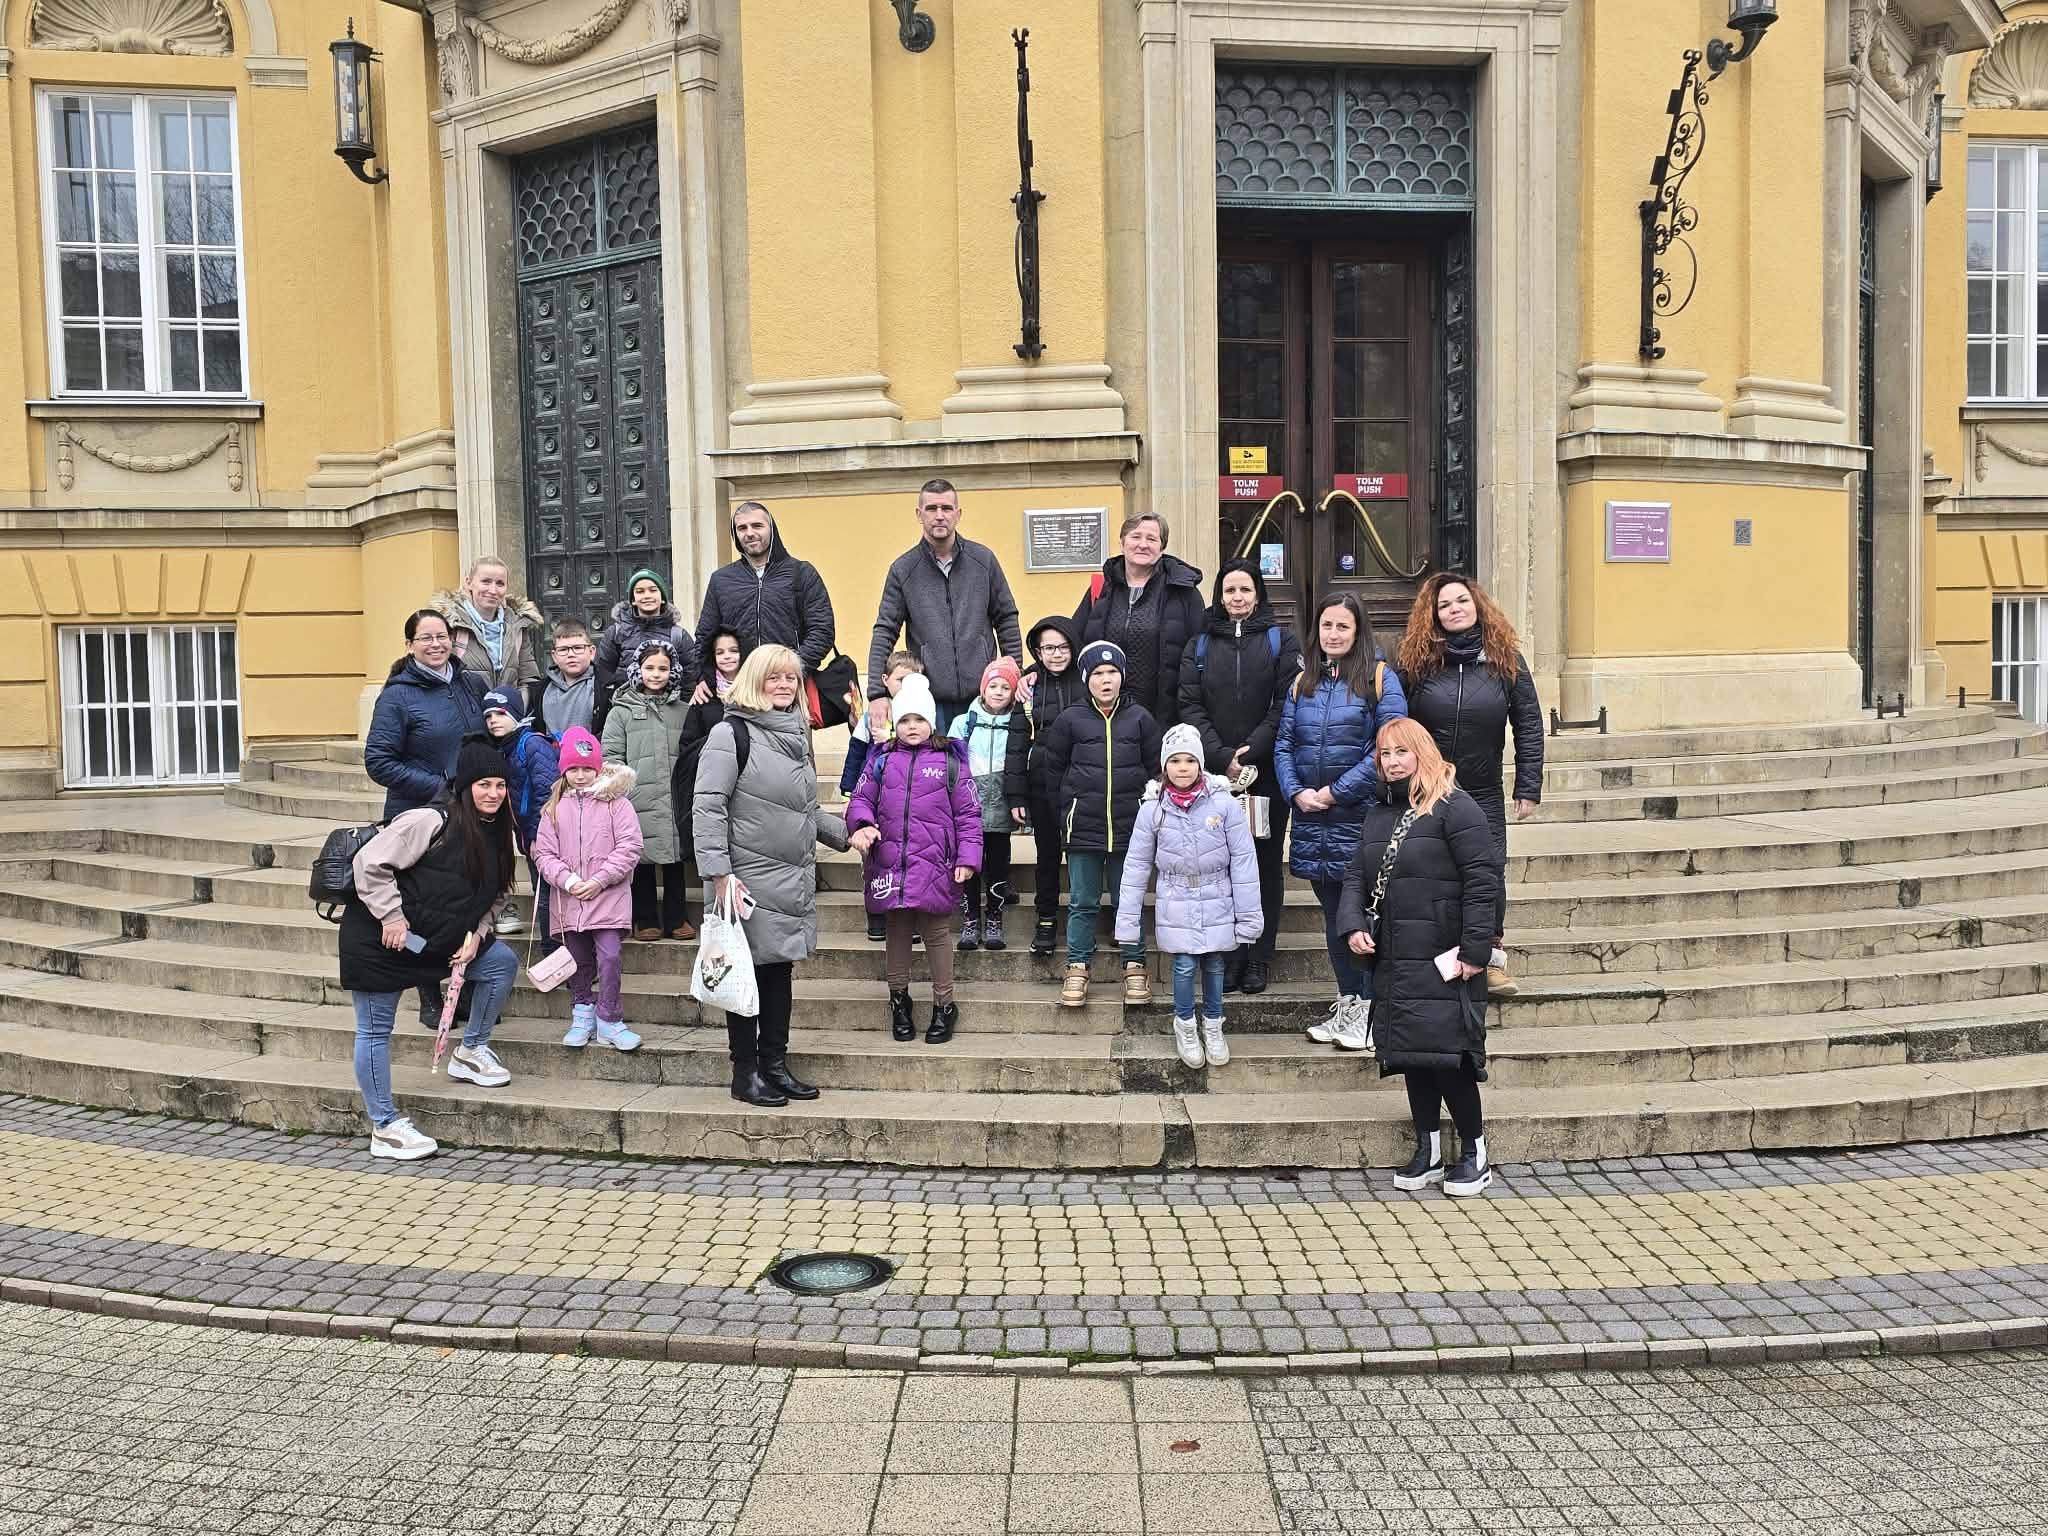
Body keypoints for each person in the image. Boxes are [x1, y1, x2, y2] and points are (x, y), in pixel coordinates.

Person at [1336, 719, 1501, 1198]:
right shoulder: (1378, 813)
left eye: (1400, 752)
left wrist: (1476, 951)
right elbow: (1356, 875)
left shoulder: (1456, 806)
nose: (1391, 762)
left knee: (1450, 1059)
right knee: (1413, 1057)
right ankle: (1427, 1150)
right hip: (1396, 958)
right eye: (1384, 754)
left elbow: (1483, 880)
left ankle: (1475, 1153)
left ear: (1422, 752)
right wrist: (1352, 925)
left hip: (1445, 958)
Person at [339, 739, 521, 1161]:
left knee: (499, 963)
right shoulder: (428, 820)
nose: (493, 793)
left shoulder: (497, 833)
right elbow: (369, 863)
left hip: (436, 941)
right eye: (483, 784)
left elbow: (496, 896)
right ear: (465, 786)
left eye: (500, 785)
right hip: (381, 939)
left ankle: (470, 1051)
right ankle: (384, 1126)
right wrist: (391, 917)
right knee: (374, 1031)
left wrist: (477, 937)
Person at [693, 644, 851, 1107]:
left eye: (791, 678)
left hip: (787, 877)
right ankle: (745, 1073)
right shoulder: (730, 733)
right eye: (774, 677)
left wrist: (848, 836)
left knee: (778, 972)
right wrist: (718, 873)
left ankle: (774, 1066)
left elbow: (803, 809)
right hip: (744, 879)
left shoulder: (795, 733)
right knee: (746, 973)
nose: (784, 685)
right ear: (754, 680)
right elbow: (708, 806)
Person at [1395, 571, 1545, 998]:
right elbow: (1396, 723)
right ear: (1433, 614)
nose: (1454, 609)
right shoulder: (1417, 662)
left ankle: (1491, 961)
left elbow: (1529, 724)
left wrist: (1528, 785)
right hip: (1429, 790)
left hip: (1482, 791)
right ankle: (1437, 959)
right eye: (1444, 605)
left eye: (1461, 600)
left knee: (1487, 874)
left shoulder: (1505, 660)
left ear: (1477, 605)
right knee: (1431, 873)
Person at [1275, 592, 1409, 1052]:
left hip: (1360, 819)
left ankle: (1370, 1012)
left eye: (1342, 627)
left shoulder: (1379, 679)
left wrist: (1334, 792)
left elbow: (1389, 749)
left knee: (1362, 919)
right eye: (1326, 626)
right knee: (1335, 919)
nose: (1333, 634)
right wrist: (1296, 792)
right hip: (1313, 822)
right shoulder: (1302, 682)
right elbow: (1284, 744)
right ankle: (1348, 1002)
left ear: (1358, 631)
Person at [1176, 557, 1302, 995]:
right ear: (1219, 595)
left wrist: (1251, 751)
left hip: (1263, 774)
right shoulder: (1199, 645)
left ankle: (1258, 957)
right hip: (1214, 778)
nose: (1237, 597)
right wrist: (1221, 755)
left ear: (1258, 594)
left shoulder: (1281, 641)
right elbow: (1189, 704)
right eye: (1230, 590)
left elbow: (1286, 702)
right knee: (1221, 867)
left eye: (1245, 589)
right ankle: (1229, 957)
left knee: (1263, 866)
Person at [1117, 724, 1262, 1071]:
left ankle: (1213, 1024)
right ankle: (1184, 1023)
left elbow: (1244, 861)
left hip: (1217, 895)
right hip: (1176, 896)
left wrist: (1248, 916)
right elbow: (1136, 865)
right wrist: (1128, 921)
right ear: (1164, 766)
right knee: (1183, 965)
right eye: (1175, 761)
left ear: (1200, 763)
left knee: (1214, 963)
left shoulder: (1223, 804)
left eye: (1190, 760)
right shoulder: (1152, 809)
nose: (1182, 768)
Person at [846, 673, 981, 1045]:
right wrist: (862, 825)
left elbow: (969, 815)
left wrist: (968, 858)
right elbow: (860, 799)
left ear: (931, 721)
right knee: (898, 931)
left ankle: (944, 1004)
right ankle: (899, 1001)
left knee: (936, 933)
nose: (911, 726)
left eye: (919, 719)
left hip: (935, 863)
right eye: (904, 719)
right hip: (891, 861)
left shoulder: (950, 761)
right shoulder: (881, 759)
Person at [1036, 641, 1162, 1009]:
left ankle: (1134, 965)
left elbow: (1156, 770)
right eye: (1098, 674)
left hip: (1130, 828)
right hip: (1083, 828)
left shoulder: (1140, 718)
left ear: (1122, 677)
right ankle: (1077, 966)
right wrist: (1068, 812)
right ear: (1086, 678)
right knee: (1082, 901)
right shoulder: (1070, 719)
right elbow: (1053, 772)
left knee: (1128, 900)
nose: (1106, 680)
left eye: (1112, 673)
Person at [866, 479, 1022, 731]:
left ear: (958, 514)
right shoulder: (903, 569)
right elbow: (885, 630)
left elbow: (1006, 619)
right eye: (931, 508)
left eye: (947, 508)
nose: (939, 515)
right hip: (928, 702)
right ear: (919, 514)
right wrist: (877, 693)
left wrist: (1013, 675)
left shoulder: (983, 561)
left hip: (983, 698)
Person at [532, 727, 644, 1053]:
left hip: (607, 896)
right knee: (578, 959)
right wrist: (568, 880)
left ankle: (609, 1017)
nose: (580, 776)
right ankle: (582, 1011)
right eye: (573, 769)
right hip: (569, 900)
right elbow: (544, 853)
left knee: (609, 956)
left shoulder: (617, 804)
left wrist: (600, 879)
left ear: (597, 768)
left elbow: (630, 846)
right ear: (564, 771)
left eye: (586, 768)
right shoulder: (554, 809)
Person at [690, 500, 836, 703]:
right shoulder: (721, 580)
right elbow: (705, 636)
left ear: (771, 529)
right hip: (738, 690)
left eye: (757, 526)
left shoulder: (801, 573)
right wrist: (702, 677)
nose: (749, 533)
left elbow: (822, 631)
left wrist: (789, 670)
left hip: (788, 690)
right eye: (742, 528)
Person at [1071, 512, 1206, 731]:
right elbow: (1072, 641)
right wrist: (1033, 673)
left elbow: (1202, 651)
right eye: (1136, 537)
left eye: (1152, 539)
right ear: (1122, 542)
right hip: (1105, 716)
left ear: (1162, 547)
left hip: (1164, 715)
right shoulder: (1101, 588)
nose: (1143, 544)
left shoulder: (1183, 592)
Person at [601, 636, 693, 941]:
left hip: (674, 796)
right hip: (637, 798)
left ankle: (677, 917)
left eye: (663, 668)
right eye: (649, 667)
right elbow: (611, 756)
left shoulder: (682, 710)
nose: (656, 674)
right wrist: (623, 789)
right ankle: (645, 918)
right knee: (640, 860)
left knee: (675, 858)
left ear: (672, 671)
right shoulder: (621, 711)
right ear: (638, 670)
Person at [364, 609, 488, 819]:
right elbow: (379, 763)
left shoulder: (472, 684)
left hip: (474, 810)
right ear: (410, 645)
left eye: (441, 636)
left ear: (451, 640)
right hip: (423, 815)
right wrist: (444, 788)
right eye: (426, 638)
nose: (436, 644)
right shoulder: (396, 696)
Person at [948, 657, 1031, 951]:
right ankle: (970, 919)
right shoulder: (964, 722)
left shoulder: (1020, 722)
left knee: (997, 865)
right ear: (983, 688)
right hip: (970, 806)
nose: (998, 692)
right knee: (969, 863)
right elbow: (951, 764)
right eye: (993, 686)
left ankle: (994, 918)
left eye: (1006, 687)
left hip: (1001, 803)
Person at [1022, 617, 1085, 956]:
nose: (1056, 654)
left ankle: (1081, 919)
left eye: (1063, 647)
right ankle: (1046, 918)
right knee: (1047, 854)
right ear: (1038, 651)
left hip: (1080, 782)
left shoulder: (1086, 680)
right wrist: (1016, 794)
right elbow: (1017, 743)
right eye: (1048, 648)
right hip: (1041, 782)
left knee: (1080, 854)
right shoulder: (1028, 686)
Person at [480, 686, 560, 939]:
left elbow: (547, 793)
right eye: (488, 716)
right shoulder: (505, 747)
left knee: (547, 898)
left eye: (500, 713)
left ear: (516, 714)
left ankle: (554, 952)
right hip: (526, 835)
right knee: (541, 894)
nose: (493, 720)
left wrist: (538, 837)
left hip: (543, 836)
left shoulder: (532, 744)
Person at [670, 628, 743, 904]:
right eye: (720, 652)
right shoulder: (703, 696)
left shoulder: (758, 690)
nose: (727, 657)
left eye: (733, 650)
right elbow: (687, 744)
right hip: (715, 784)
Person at [593, 568, 698, 735]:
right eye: (640, 591)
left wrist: (677, 708)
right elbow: (603, 672)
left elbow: (690, 678)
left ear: (662, 598)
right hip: (627, 712)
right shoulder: (616, 633)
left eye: (652, 590)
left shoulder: (678, 636)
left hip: (666, 715)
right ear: (633, 600)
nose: (647, 595)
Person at [431, 555, 545, 691]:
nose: (493, 590)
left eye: (500, 583)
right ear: (468, 583)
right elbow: (435, 676)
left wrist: (517, 702)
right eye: (486, 582)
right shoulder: (449, 624)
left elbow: (529, 680)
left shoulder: (518, 625)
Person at [529, 619, 598, 738]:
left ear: (591, 652)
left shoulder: (606, 687)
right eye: (563, 650)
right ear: (554, 656)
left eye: (578, 648)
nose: (571, 654)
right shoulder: (540, 690)